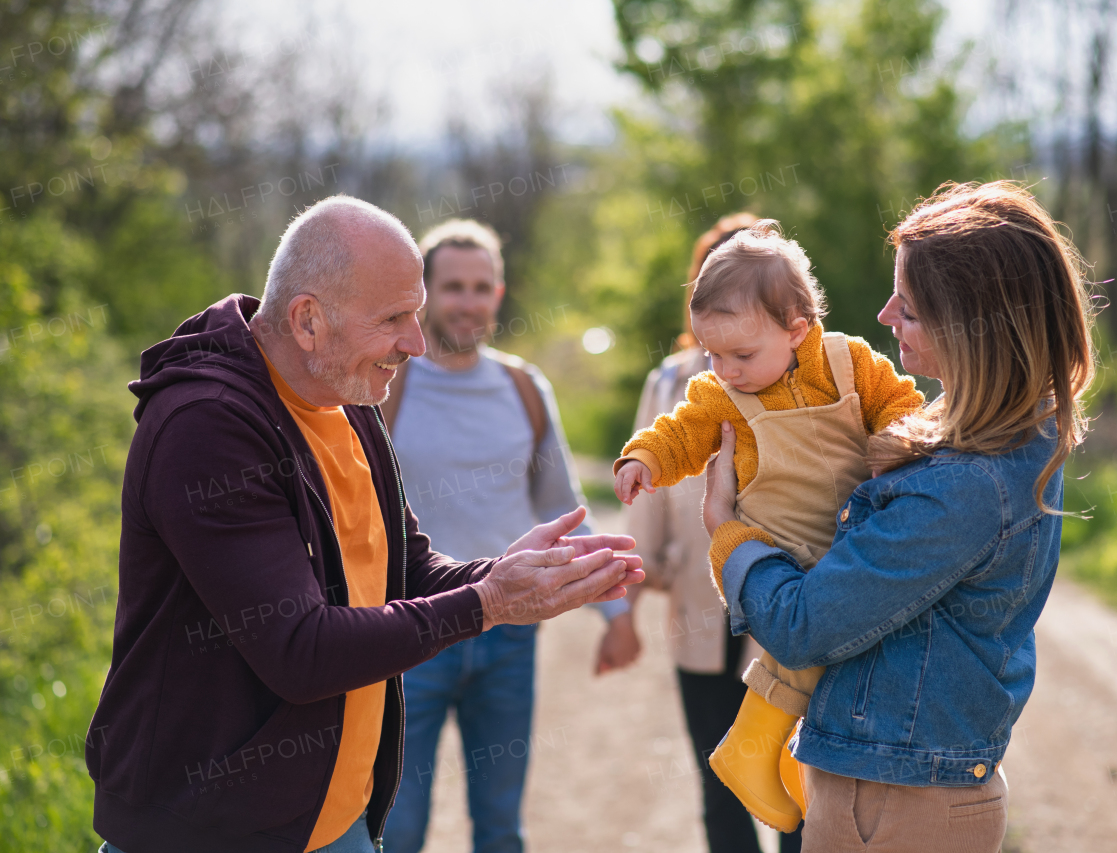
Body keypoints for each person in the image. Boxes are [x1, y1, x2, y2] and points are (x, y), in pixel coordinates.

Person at [87, 195, 642, 853]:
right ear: (308, 320)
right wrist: (486, 603)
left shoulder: (347, 397)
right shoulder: (206, 427)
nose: (415, 341)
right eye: (394, 319)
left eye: (416, 314)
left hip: (336, 821)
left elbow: (405, 567)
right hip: (209, 830)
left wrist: (506, 576)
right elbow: (300, 649)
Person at [702, 181, 1096, 852]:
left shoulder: (962, 487)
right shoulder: (1012, 438)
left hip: (894, 808)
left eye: (909, 308)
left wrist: (728, 535)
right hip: (903, 792)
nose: (885, 315)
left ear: (973, 326)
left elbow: (804, 625)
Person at [614, 219, 923, 831]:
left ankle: (774, 760)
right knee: (802, 641)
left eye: (742, 354)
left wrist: (897, 443)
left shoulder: (848, 360)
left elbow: (902, 402)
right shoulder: (721, 393)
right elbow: (682, 431)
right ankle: (751, 753)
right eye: (713, 354)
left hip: (844, 541)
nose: (725, 370)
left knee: (830, 656)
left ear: (796, 330)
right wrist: (644, 457)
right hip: (771, 548)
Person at [377, 219, 634, 853]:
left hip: (510, 637)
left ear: (499, 293)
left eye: (482, 286)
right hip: (412, 636)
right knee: (397, 826)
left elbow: (562, 507)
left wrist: (617, 613)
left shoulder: (524, 389)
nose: (468, 301)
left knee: (500, 828)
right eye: (453, 286)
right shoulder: (384, 386)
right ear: (424, 293)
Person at [626, 212, 810, 853]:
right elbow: (647, 504)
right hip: (700, 603)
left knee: (794, 773)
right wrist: (633, 588)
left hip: (788, 600)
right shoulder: (673, 383)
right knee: (718, 778)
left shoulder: (807, 379)